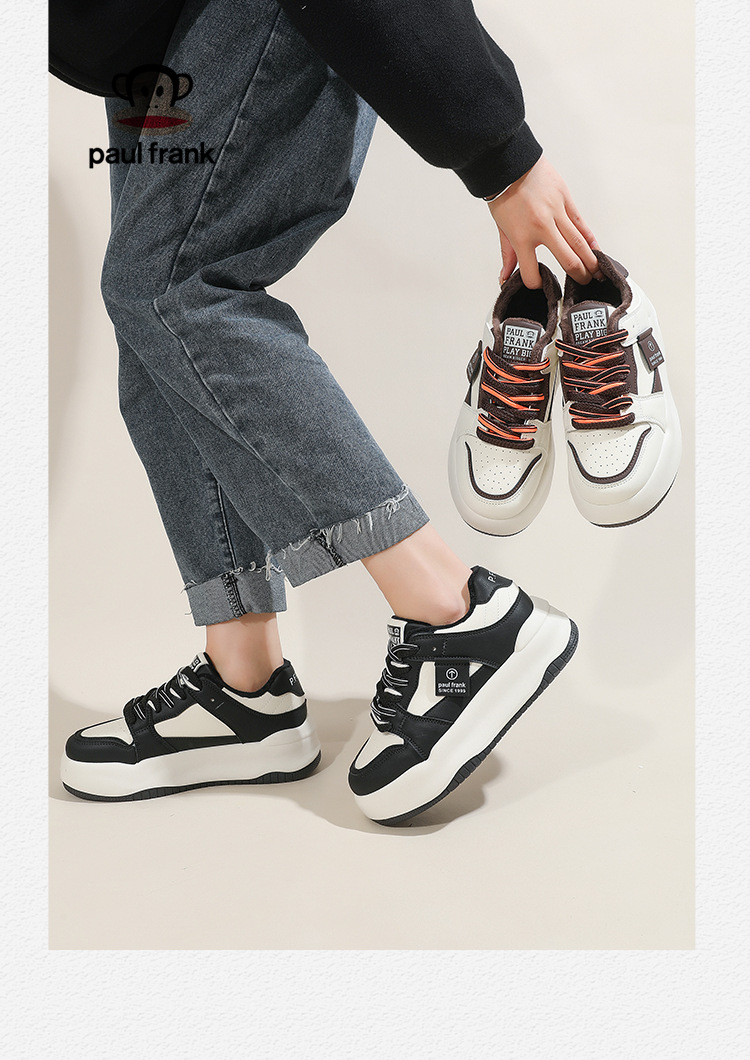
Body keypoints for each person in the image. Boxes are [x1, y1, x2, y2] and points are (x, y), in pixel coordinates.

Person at [52, 0, 598, 823]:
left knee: (175, 290)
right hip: (153, 24)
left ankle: (458, 613)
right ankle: (244, 682)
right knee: (150, 307)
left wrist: (503, 157)